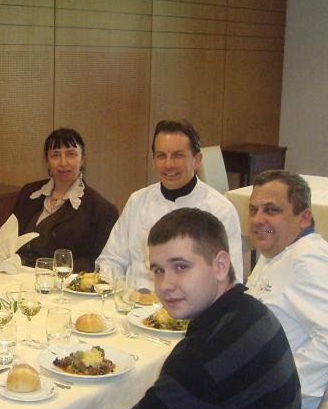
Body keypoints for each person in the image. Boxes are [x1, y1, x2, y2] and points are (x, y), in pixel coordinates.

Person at [47, 208, 300, 409]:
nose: (165, 285)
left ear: (220, 265)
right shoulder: (254, 313)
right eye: (158, 270)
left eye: (181, 267)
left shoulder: (203, 360)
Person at [246, 170, 328, 409]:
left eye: (271, 210)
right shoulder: (279, 249)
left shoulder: (307, 261)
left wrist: (274, 379)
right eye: (253, 210)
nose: (258, 220)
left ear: (303, 218)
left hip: (278, 408)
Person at [96, 119, 243, 289]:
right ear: (153, 160)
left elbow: (230, 281)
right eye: (161, 156)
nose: (168, 165)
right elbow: (111, 261)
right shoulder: (137, 201)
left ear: (197, 160)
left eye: (178, 155)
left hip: (192, 304)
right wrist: (111, 291)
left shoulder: (220, 209)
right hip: (132, 300)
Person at [11, 128, 118, 272]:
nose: (63, 163)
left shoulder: (101, 209)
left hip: (59, 281)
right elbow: (7, 235)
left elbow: (97, 260)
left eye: (71, 154)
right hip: (14, 274)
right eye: (55, 155)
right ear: (47, 160)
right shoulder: (29, 193)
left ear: (82, 159)